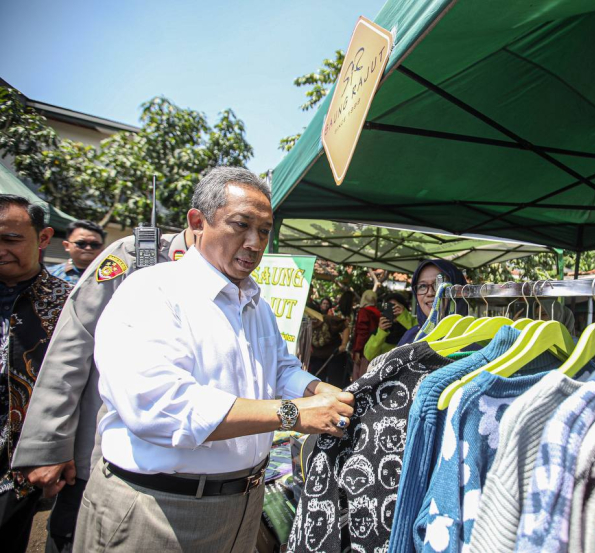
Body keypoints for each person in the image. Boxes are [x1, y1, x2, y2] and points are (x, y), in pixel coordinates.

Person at [74, 167, 354, 552]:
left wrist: (319, 390)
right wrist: (294, 413)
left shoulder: (256, 305)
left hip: (241, 507)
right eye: (241, 225)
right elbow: (163, 407)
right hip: (159, 510)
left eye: (265, 231)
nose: (255, 243)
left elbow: (279, 369)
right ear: (197, 222)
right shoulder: (153, 291)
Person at [12, 224, 192, 553]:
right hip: (96, 455)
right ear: (199, 219)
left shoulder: (227, 275)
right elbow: (72, 347)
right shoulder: (135, 256)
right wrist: (49, 446)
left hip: (171, 470)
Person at [0, 195, 73, 553]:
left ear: (44, 238)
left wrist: (57, 450)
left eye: (10, 239)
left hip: (16, 474)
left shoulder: (70, 304)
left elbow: (81, 386)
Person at [400, 259, 468, 345]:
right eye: (423, 286)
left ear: (457, 290)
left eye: (439, 285)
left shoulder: (475, 339)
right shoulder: (410, 337)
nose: (430, 293)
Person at [47, 220, 106, 285]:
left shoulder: (112, 277)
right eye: (81, 243)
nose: (88, 248)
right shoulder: (50, 275)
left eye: (95, 244)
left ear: (103, 247)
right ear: (67, 245)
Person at [364, 292, 418, 361]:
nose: (393, 311)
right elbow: (369, 355)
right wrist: (381, 332)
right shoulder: (381, 331)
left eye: (396, 307)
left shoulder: (412, 325)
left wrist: (404, 316)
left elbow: (420, 335)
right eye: (389, 307)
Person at [351, 289, 381, 380]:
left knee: (360, 379)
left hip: (364, 352)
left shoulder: (364, 312)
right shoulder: (379, 313)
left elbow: (362, 332)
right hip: (375, 349)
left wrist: (357, 351)